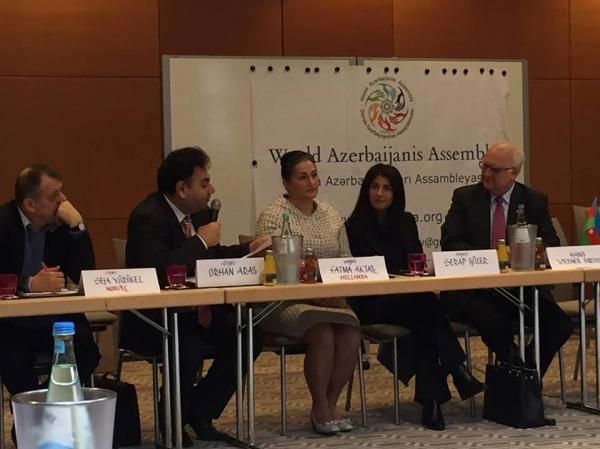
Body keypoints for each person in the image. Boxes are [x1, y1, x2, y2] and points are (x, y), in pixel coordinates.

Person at [122, 147, 268, 446]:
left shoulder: (196, 215)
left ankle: (200, 410)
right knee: (186, 343)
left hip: (197, 312)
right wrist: (200, 241)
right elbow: (159, 269)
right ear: (181, 188)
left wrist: (249, 249)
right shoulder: (147, 217)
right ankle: (172, 419)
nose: (211, 190)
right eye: (204, 183)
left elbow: (211, 257)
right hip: (156, 319)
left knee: (248, 333)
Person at [345, 163, 485, 430]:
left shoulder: (406, 221)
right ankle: (457, 369)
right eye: (375, 187)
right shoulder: (354, 225)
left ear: (396, 193)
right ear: (366, 190)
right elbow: (364, 270)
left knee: (423, 321)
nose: (380, 193)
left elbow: (414, 261)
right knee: (425, 306)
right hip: (372, 301)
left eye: (387, 188)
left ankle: (432, 401)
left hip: (407, 299)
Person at [440, 142, 573, 378]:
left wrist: (525, 252)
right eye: (484, 166)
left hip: (519, 290)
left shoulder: (533, 200)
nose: (485, 173)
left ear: (513, 173)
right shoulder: (465, 198)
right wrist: (494, 257)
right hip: (475, 291)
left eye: (494, 169)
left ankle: (524, 375)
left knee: (559, 323)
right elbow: (450, 242)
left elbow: (551, 245)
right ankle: (521, 378)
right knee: (494, 321)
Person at [255, 150, 361, 435]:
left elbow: (346, 260)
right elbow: (274, 268)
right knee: (322, 331)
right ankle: (320, 407)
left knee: (351, 331)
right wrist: (313, 294)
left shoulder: (330, 214)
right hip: (284, 301)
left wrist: (338, 294)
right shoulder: (274, 215)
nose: (311, 182)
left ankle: (330, 402)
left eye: (314, 175)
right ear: (286, 183)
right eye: (302, 177)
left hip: (330, 298)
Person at [0, 164, 101, 441]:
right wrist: (29, 283)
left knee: (86, 351)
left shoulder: (62, 225)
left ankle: (39, 414)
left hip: (55, 320)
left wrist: (78, 226)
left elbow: (85, 276)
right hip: (10, 324)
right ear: (30, 205)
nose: (63, 201)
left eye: (62, 192)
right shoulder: (3, 224)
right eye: (54, 196)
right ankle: (35, 421)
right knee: (11, 359)